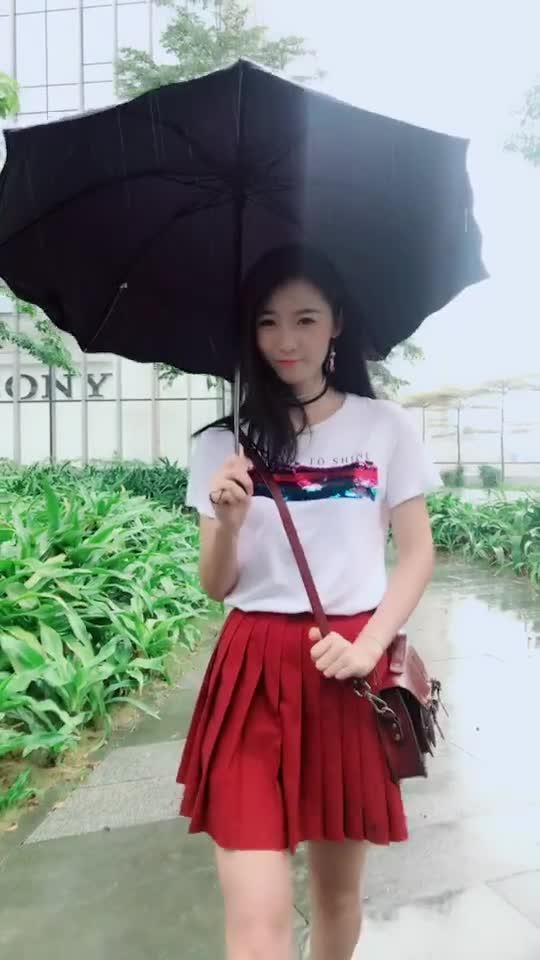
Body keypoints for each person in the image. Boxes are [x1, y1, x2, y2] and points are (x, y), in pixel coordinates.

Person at [177, 245, 440, 960]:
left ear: (336, 325)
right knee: (256, 918)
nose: (285, 340)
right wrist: (229, 523)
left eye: (304, 319)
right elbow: (216, 585)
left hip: (347, 667)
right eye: (267, 321)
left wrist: (369, 646)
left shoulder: (384, 427)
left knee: (336, 896)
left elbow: (418, 553)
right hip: (250, 671)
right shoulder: (220, 445)